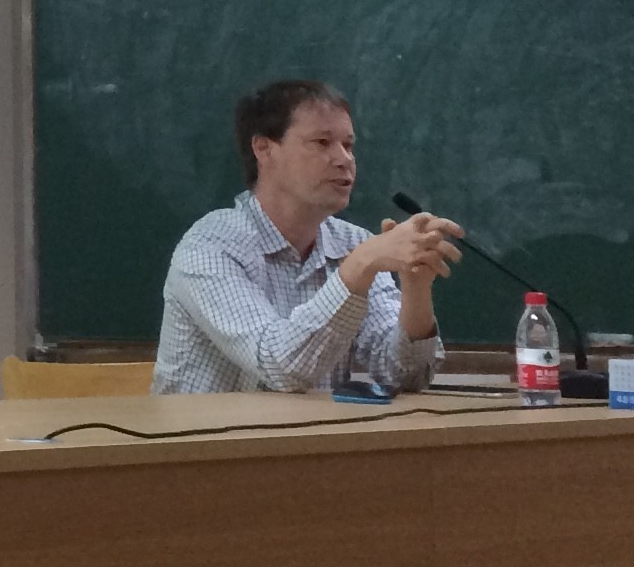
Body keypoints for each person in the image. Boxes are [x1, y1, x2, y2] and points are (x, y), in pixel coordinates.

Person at [152, 78, 460, 394]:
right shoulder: (210, 247)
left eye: (348, 145)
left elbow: (406, 375)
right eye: (322, 142)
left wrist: (415, 288)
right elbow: (279, 368)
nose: (344, 159)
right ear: (264, 149)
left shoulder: (354, 244)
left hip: (313, 429)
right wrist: (359, 265)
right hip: (212, 428)